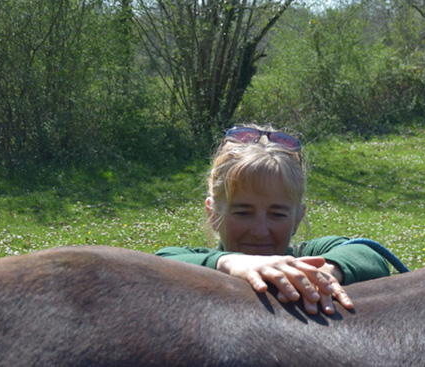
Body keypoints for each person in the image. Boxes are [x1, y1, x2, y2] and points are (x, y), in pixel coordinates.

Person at [156, 124, 393, 316]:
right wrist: (232, 263)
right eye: (243, 213)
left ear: (298, 217)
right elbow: (158, 263)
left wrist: (321, 273)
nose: (260, 231)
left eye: (277, 214)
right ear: (213, 214)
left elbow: (369, 255)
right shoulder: (198, 260)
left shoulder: (304, 256)